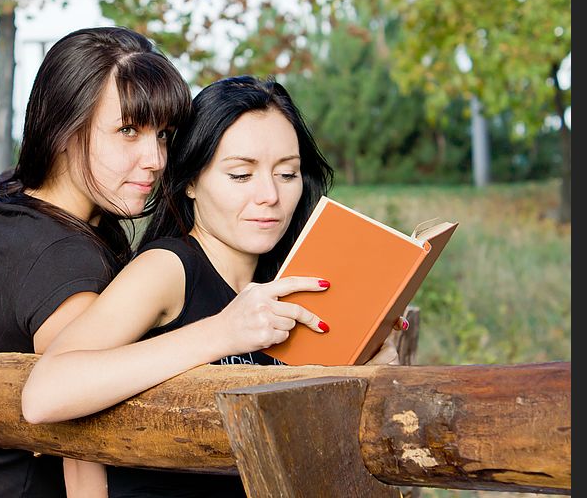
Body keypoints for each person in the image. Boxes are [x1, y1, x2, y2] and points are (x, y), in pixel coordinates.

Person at [22, 76, 402, 497]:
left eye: (288, 173)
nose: (270, 195)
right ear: (190, 182)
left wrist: (369, 376)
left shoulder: (287, 281)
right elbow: (44, 393)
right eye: (241, 175)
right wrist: (222, 332)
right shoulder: (167, 268)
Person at [0, 26, 193, 498]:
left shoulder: (13, 196)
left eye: (163, 135)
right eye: (128, 130)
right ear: (65, 128)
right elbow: (78, 414)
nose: (154, 158)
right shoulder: (61, 258)